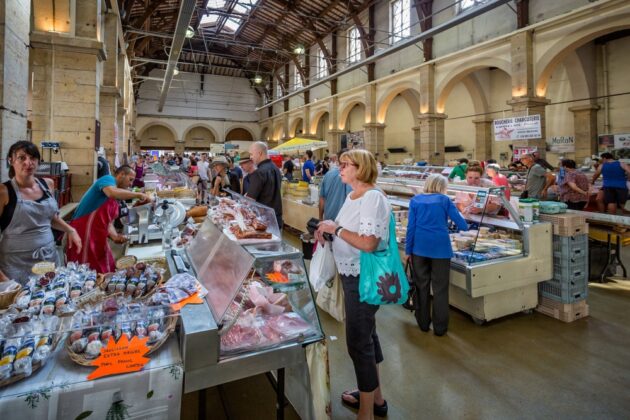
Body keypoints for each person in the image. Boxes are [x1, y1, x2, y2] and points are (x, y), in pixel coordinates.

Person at [316, 149, 391, 419]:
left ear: (361, 168)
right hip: (351, 275)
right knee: (367, 336)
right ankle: (376, 397)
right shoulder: (352, 195)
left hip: (364, 277)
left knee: (358, 342)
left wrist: (335, 230)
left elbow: (368, 243)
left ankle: (367, 412)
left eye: (345, 165)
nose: (340, 169)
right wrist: (328, 230)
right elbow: (347, 230)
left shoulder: (372, 197)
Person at [0, 141, 82, 283]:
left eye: (33, 158)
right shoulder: (4, 192)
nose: (28, 162)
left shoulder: (47, 184)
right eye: (21, 158)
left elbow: (50, 218)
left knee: (50, 298)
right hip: (15, 264)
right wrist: (1, 277)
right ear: (11, 161)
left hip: (47, 258)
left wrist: (70, 230)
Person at [405, 174, 468, 336]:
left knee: (421, 286)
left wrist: (408, 250)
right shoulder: (445, 200)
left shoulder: (415, 200)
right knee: (440, 289)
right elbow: (462, 225)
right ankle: (440, 328)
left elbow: (410, 227)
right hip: (440, 249)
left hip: (419, 248)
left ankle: (423, 323)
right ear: (442, 187)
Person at [67, 165, 152, 273]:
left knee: (104, 267)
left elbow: (108, 221)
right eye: (130, 180)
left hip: (98, 234)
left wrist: (114, 236)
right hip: (83, 232)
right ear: (121, 175)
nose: (131, 184)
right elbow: (112, 193)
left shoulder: (116, 196)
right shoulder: (107, 179)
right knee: (85, 269)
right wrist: (139, 195)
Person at [247, 142, 283, 228]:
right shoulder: (275, 168)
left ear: (259, 153)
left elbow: (250, 200)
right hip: (276, 217)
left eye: (251, 154)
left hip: (263, 220)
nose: (250, 157)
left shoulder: (259, 172)